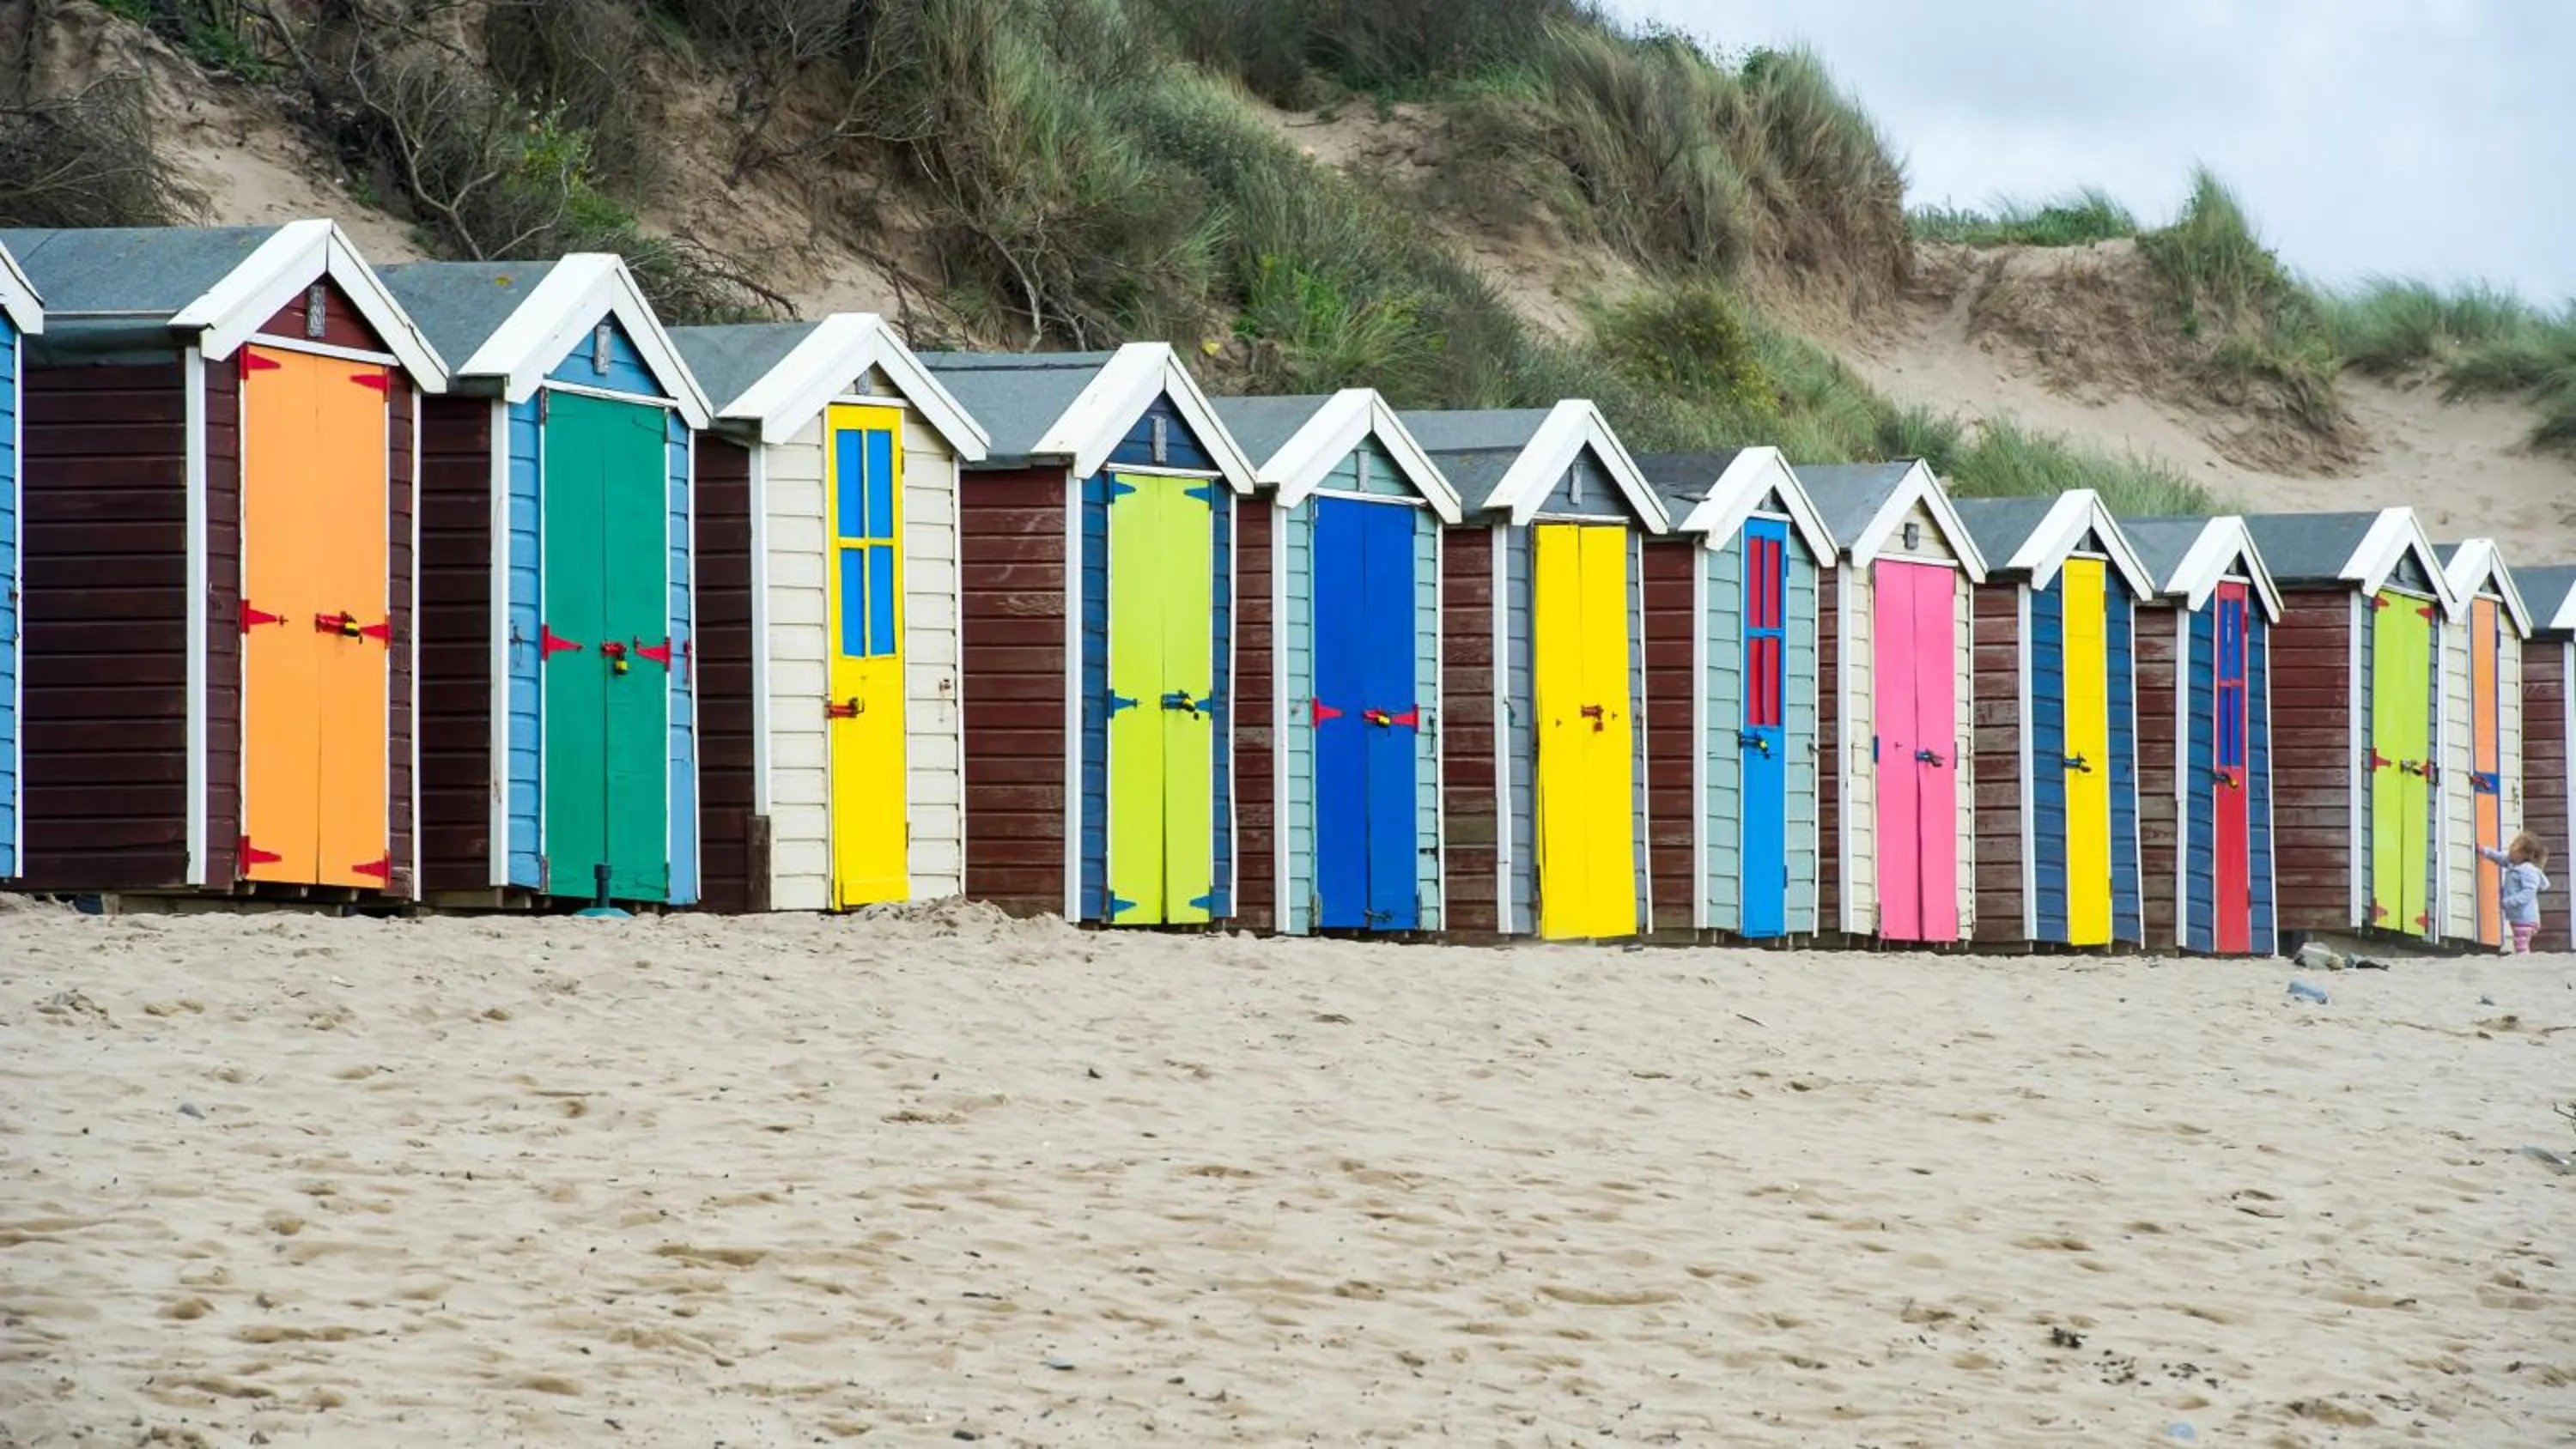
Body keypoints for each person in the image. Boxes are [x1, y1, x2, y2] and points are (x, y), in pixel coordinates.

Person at [2478, 832, 2551, 955]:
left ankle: (2524, 964)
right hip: (2520, 917)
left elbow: (2529, 892)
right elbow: (2501, 858)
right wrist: (2485, 852)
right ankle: (2523, 961)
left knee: (2521, 945)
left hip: (2525, 918)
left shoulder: (2528, 870)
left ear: (2527, 855)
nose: (2510, 850)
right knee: (2520, 944)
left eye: (2514, 848)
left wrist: (2509, 902)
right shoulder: (2515, 864)